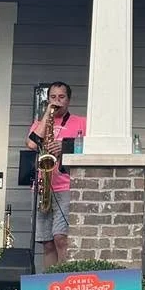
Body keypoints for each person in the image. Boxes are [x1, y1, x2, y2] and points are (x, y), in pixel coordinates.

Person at [26, 82, 86, 267]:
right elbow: (31, 144)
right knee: (47, 242)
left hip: (67, 185)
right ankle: (49, 285)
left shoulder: (82, 122)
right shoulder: (39, 123)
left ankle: (63, 281)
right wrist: (47, 114)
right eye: (53, 97)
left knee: (61, 237)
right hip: (44, 186)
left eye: (61, 97)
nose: (57, 101)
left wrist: (65, 147)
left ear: (68, 100)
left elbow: (89, 147)